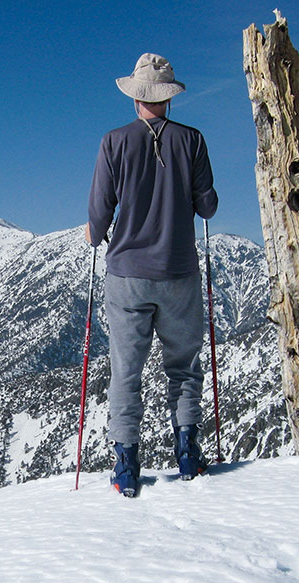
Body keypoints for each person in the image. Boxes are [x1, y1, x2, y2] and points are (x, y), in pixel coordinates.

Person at [87, 52, 219, 497]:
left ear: (136, 96)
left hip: (127, 273)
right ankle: (187, 452)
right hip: (179, 270)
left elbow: (98, 215)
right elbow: (208, 207)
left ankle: (126, 465)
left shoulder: (113, 142)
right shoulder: (193, 141)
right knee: (183, 366)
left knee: (126, 368)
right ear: (168, 97)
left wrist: (99, 235)